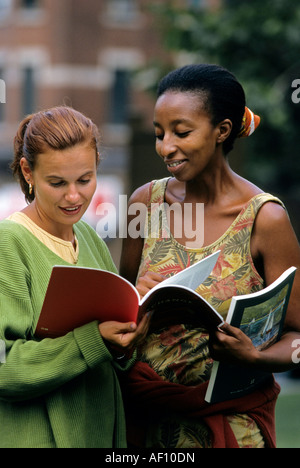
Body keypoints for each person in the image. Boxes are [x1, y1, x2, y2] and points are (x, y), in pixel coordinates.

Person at [119, 64, 300, 448]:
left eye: (182, 132)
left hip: (231, 428)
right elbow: (120, 310)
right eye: (159, 134)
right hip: (146, 424)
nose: (166, 147)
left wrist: (255, 357)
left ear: (222, 130)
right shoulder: (144, 204)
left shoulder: (264, 219)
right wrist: (135, 301)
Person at [0, 106, 149, 448]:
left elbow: (110, 353)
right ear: (27, 172)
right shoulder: (8, 242)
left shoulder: (89, 237)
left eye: (85, 180)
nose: (74, 196)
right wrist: (93, 340)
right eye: (57, 183)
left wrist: (131, 331)